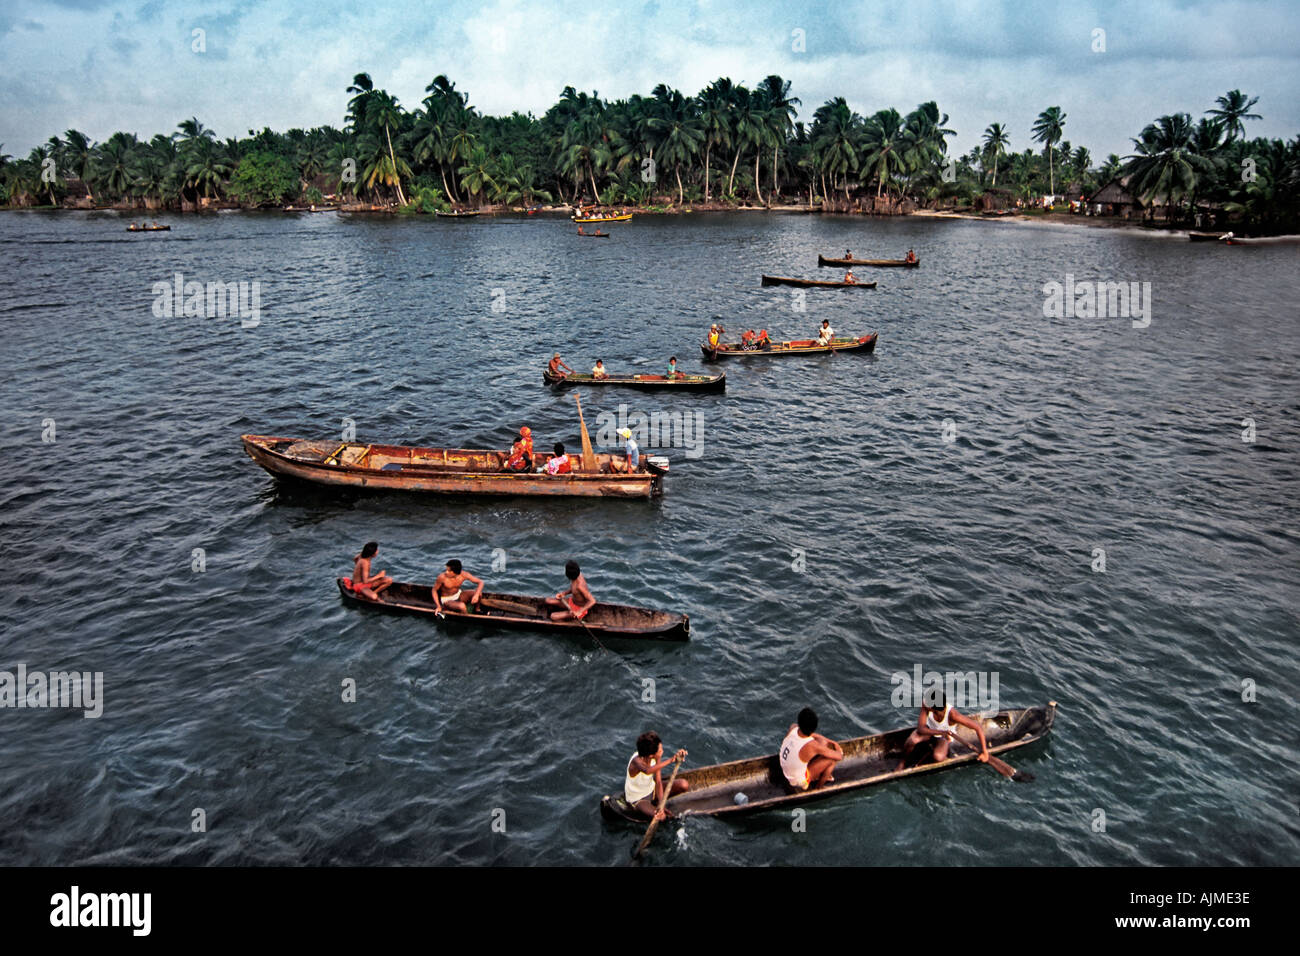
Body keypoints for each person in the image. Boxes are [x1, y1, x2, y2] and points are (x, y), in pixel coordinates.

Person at [895, 693, 991, 769]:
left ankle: (937, 753)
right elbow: (921, 729)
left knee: (938, 757)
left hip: (944, 738)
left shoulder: (953, 715)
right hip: (930, 731)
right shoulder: (926, 704)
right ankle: (902, 763)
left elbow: (978, 727)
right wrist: (942, 732)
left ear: (933, 708)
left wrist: (984, 752)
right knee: (912, 740)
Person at [624, 731, 690, 820]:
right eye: (660, 750)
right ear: (651, 755)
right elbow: (647, 770)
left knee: (684, 784)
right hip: (638, 799)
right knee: (661, 817)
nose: (662, 751)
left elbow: (658, 781)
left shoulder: (656, 757)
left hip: (652, 790)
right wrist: (671, 760)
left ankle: (656, 804)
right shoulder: (636, 762)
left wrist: (661, 805)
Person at [779, 707, 844, 790]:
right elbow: (839, 757)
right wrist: (838, 749)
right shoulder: (812, 745)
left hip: (784, 769)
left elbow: (815, 736)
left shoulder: (793, 728)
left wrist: (832, 742)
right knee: (832, 760)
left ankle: (818, 772)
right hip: (797, 781)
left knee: (823, 742)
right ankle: (819, 788)